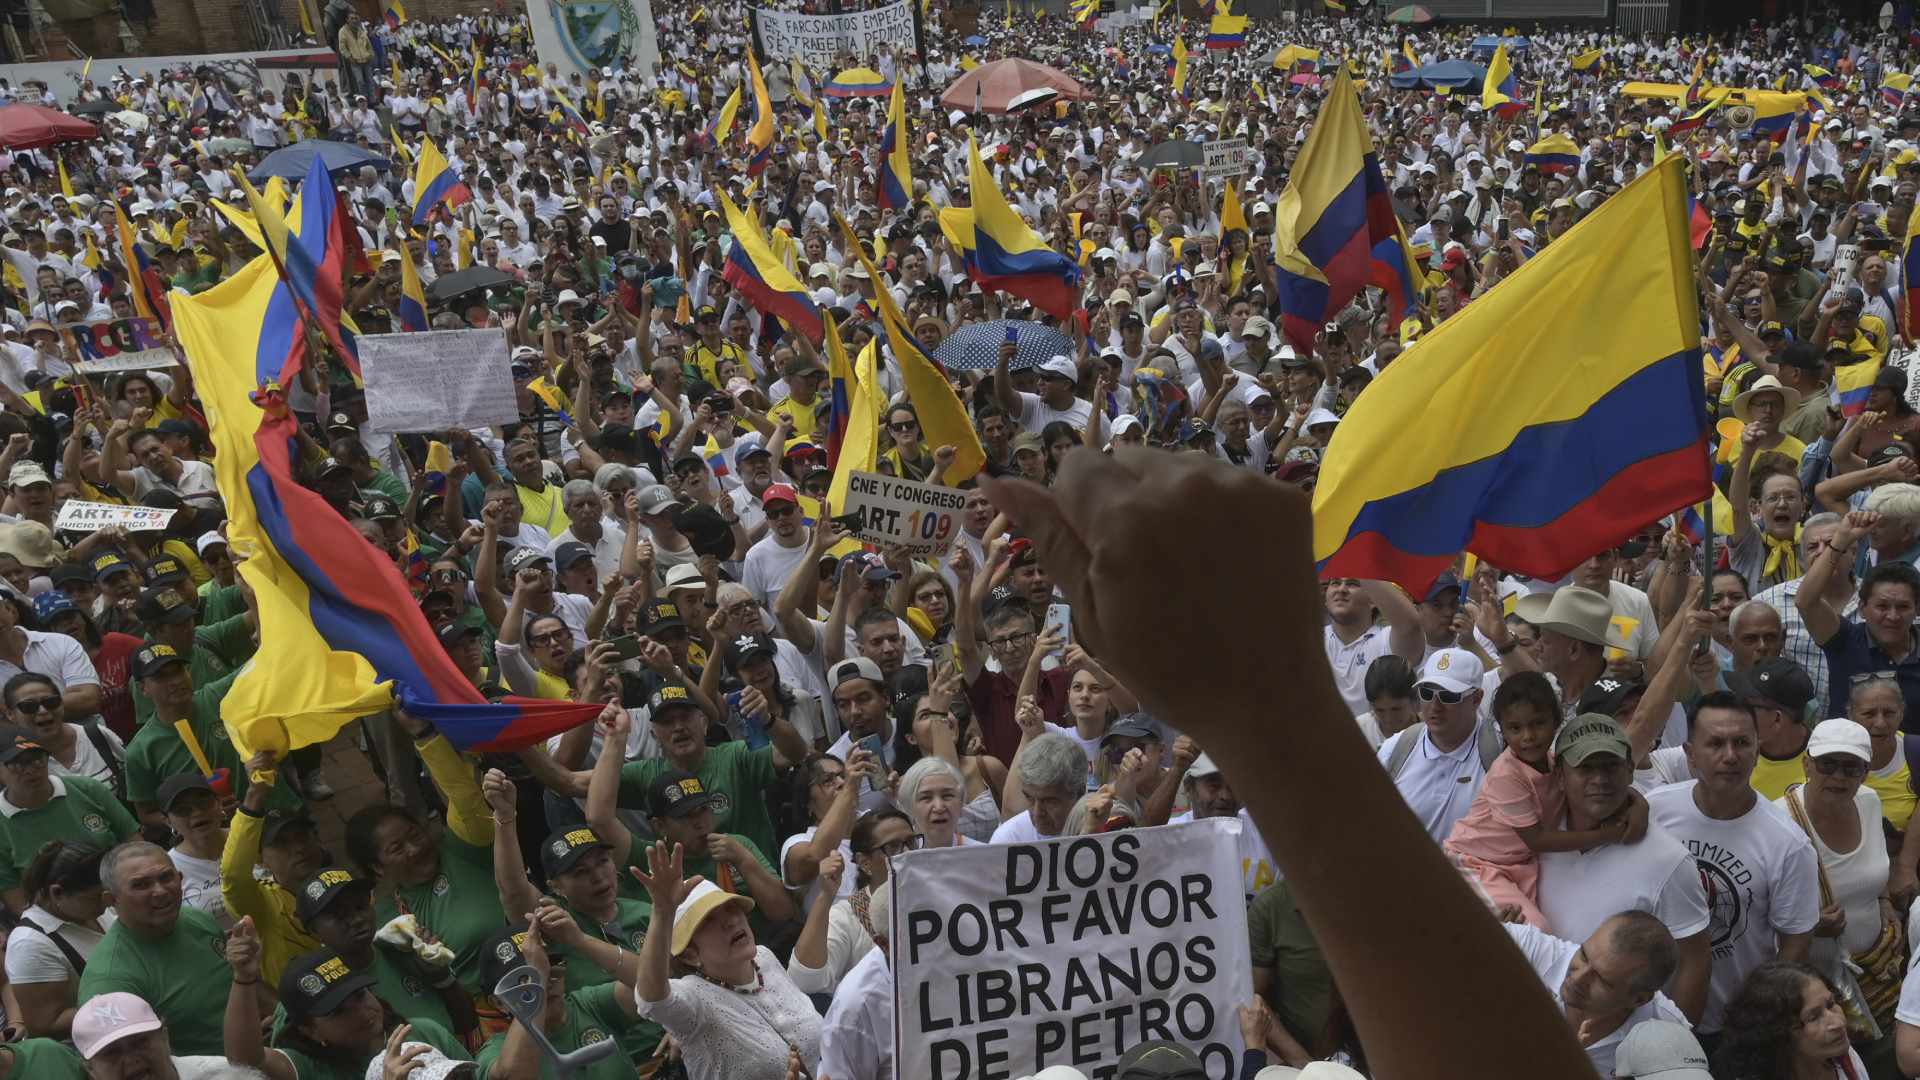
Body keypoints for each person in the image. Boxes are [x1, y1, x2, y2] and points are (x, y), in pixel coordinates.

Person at [1645, 693, 1822, 1040]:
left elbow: (1795, 946)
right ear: (1690, 753)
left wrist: (1762, 1018)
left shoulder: (1788, 843)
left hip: (1734, 1027)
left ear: (1757, 750)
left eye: (1742, 743)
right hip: (1646, 1011)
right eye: (1715, 743)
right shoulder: (1655, 812)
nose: (1730, 756)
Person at [1443, 675, 1646, 930]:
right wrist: (1609, 834)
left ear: (1556, 720)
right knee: (1535, 929)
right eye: (1515, 728)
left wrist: (1640, 805)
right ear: (1503, 731)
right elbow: (1537, 839)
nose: (1528, 736)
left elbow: (1600, 785)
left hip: (1519, 865)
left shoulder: (1554, 762)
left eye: (1538, 723)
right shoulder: (1506, 774)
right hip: (1476, 863)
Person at [631, 840, 822, 1080]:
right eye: (709, 920)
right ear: (690, 954)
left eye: (731, 908)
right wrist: (662, 911)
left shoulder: (763, 958)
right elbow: (652, 1000)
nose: (731, 921)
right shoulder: (694, 1000)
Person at [1772, 718, 1903, 1053]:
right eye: (1828, 765)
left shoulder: (1870, 801)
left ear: (1866, 772)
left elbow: (1875, 861)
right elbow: (1757, 916)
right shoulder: (1778, 824)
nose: (1839, 777)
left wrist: (1885, 899)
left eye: (1851, 768)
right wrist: (1811, 928)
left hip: (1876, 972)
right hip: (1816, 988)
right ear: (1806, 764)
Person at [75, 840, 236, 1056]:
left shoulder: (198, 919)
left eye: (166, 877)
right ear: (111, 899)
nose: (160, 891)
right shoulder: (110, 980)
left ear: (180, 879)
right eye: (141, 885)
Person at [1500, 912, 1689, 1078]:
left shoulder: (1670, 1041)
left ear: (1639, 999)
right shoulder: (1519, 948)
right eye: (1583, 955)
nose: (1577, 979)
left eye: (1601, 980)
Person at [1378, 647, 1499, 843]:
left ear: (1476, 698)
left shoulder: (1500, 751)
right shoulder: (1394, 750)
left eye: (1449, 696)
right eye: (1426, 693)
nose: (1435, 706)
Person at [3, 839, 107, 1038]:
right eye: (95, 897)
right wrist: (122, 1000)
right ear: (57, 892)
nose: (107, 902)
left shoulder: (95, 909)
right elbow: (45, 1024)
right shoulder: (30, 945)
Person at [1712, 960, 1870, 1078]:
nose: (1838, 1023)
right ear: (1777, 1032)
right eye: (1814, 1017)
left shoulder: (1845, 1059)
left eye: (1830, 1005)